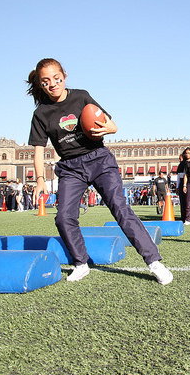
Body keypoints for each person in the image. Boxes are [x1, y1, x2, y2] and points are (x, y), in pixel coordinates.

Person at [27, 58, 172, 284]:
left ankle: (154, 261)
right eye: (46, 81)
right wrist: (39, 180)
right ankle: (81, 263)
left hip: (99, 159)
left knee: (120, 208)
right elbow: (38, 151)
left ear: (64, 75)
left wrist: (108, 128)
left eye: (57, 78)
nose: (53, 84)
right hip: (70, 167)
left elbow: (112, 125)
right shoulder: (41, 113)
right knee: (64, 217)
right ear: (40, 84)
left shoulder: (81, 96)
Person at [176, 148, 190, 223]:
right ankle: (183, 217)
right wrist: (177, 186)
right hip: (183, 184)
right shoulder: (182, 164)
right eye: (186, 153)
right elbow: (178, 176)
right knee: (183, 201)